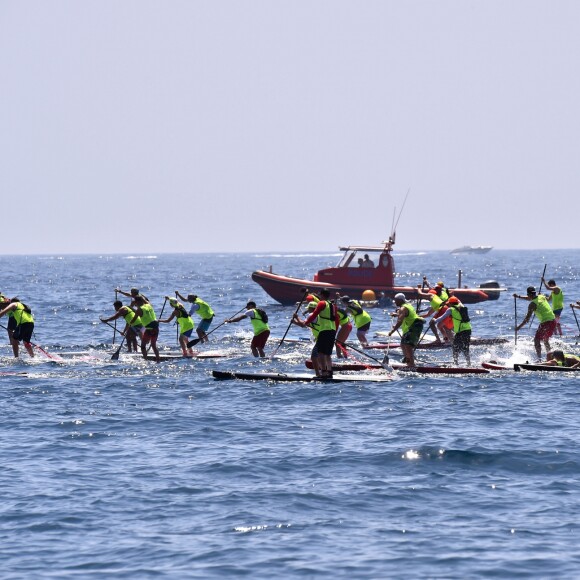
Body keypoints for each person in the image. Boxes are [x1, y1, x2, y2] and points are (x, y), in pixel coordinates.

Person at [294, 289, 339, 377]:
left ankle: (324, 372)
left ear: (322, 295)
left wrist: (305, 323)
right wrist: (335, 331)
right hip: (332, 330)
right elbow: (336, 320)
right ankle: (329, 372)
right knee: (328, 354)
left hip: (324, 330)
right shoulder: (333, 305)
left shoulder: (322, 303)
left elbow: (314, 314)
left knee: (321, 353)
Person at [514, 286, 556, 360]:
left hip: (546, 322)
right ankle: (551, 357)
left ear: (528, 294)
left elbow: (527, 320)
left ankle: (539, 359)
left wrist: (518, 327)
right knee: (545, 340)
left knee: (536, 340)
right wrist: (519, 296)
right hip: (553, 321)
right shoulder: (541, 296)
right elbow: (530, 298)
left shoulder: (532, 305)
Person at [387, 293, 424, 368]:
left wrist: (392, 331)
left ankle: (411, 365)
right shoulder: (408, 305)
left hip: (415, 326)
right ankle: (408, 360)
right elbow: (405, 315)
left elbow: (400, 321)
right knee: (403, 344)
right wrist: (396, 314)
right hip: (414, 326)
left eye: (396, 300)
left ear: (400, 300)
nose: (395, 302)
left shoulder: (403, 308)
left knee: (408, 345)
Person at [433, 296, 472, 366]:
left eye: (449, 304)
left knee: (455, 347)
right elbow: (459, 300)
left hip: (461, 331)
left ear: (451, 304)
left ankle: (456, 363)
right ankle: (469, 363)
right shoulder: (461, 306)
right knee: (465, 347)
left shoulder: (450, 309)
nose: (448, 305)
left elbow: (442, 318)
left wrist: (434, 321)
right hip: (468, 329)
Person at [294, 301, 323, 375]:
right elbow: (306, 324)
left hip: (321, 338)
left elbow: (303, 325)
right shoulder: (320, 315)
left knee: (314, 357)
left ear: (311, 308)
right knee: (321, 355)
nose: (308, 310)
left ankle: (318, 374)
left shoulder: (312, 315)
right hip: (325, 336)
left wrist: (297, 317)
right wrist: (295, 322)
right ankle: (323, 371)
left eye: (309, 308)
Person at [131, 295, 160, 363]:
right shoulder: (149, 305)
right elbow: (145, 300)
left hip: (149, 329)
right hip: (156, 327)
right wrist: (141, 297)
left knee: (143, 346)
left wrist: (130, 323)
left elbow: (134, 319)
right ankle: (158, 361)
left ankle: (145, 360)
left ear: (136, 302)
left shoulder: (139, 309)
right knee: (153, 345)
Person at [334, 293, 352, 358]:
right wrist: (337, 297)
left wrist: (333, 333)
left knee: (337, 343)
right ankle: (345, 357)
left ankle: (339, 357)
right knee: (341, 342)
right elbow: (335, 304)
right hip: (348, 325)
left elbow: (336, 324)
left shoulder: (337, 313)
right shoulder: (337, 309)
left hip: (346, 326)